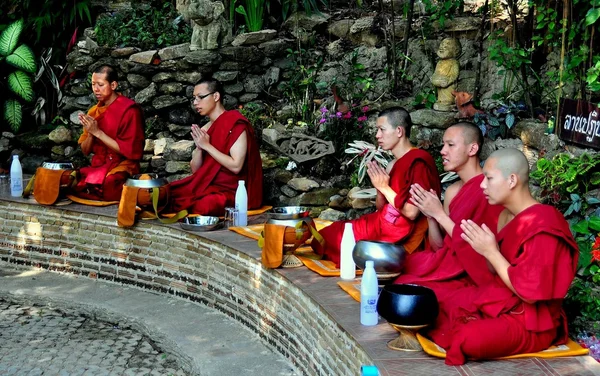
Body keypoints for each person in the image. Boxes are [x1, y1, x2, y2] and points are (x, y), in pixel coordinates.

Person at [438, 148, 578, 365]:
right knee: (443, 304)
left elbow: (530, 293)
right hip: (503, 300)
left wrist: (491, 251)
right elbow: (494, 271)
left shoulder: (543, 223)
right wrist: (484, 249)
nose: (482, 185)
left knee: (467, 338)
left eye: (489, 178)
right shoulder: (505, 214)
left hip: (531, 321)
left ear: (512, 180)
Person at [311, 107, 441, 267]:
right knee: (328, 234)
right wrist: (379, 188)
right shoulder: (393, 164)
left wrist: (384, 187)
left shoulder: (419, 161)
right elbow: (382, 208)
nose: (377, 135)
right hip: (381, 223)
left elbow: (412, 212)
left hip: (398, 233)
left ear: (399, 131)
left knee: (333, 239)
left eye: (382, 130)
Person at [168, 78, 263, 215]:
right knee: (167, 194)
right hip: (208, 187)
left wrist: (207, 146)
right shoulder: (206, 128)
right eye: (194, 98)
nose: (195, 103)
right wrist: (200, 148)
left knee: (205, 206)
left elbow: (236, 166)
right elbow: (196, 170)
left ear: (216, 96)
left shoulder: (235, 124)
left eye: (200, 97)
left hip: (233, 191)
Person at [74, 65, 145, 201]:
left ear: (113, 85)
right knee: (72, 180)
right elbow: (85, 151)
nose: (96, 89)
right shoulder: (93, 112)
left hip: (123, 164)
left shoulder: (129, 111)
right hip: (100, 165)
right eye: (93, 84)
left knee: (110, 184)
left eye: (100, 85)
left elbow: (130, 152)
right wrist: (90, 133)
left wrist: (98, 133)